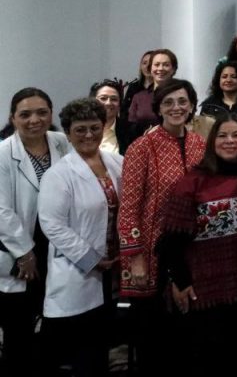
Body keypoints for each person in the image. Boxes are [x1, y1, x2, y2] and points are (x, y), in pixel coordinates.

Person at [160, 114, 237, 377]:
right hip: (204, 294)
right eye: (223, 136)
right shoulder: (192, 182)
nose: (230, 141)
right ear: (212, 141)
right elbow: (171, 240)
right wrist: (180, 282)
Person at [118, 78, 205, 376]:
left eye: (182, 101)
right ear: (158, 108)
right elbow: (128, 207)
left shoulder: (200, 144)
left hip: (189, 254)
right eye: (168, 102)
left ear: (192, 105)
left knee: (188, 340)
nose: (176, 107)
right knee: (154, 343)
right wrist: (136, 258)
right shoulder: (141, 147)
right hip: (150, 256)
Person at [38, 98, 122, 377]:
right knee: (80, 352)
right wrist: (92, 258)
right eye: (80, 129)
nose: (89, 135)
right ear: (68, 133)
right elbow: (52, 225)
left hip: (114, 269)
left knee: (101, 347)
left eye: (95, 128)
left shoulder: (116, 162)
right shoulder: (59, 174)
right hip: (81, 269)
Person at [0, 88, 71, 374]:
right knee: (18, 330)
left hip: (56, 246)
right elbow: (1, 210)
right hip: (20, 250)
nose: (34, 120)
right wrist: (24, 252)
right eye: (25, 114)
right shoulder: (4, 154)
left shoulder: (62, 143)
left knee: (51, 327)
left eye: (42, 112)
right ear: (13, 118)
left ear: (51, 114)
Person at [127, 48, 177, 127]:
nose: (160, 68)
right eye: (156, 65)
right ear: (150, 69)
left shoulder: (183, 94)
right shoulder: (139, 97)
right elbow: (131, 127)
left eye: (166, 65)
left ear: (173, 69)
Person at [90, 79, 141, 154]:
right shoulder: (80, 130)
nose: (108, 103)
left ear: (120, 105)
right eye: (103, 98)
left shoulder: (132, 132)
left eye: (114, 99)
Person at [122, 51, 154, 117]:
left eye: (151, 63)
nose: (147, 66)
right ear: (141, 66)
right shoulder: (133, 87)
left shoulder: (161, 87)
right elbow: (125, 110)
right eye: (144, 63)